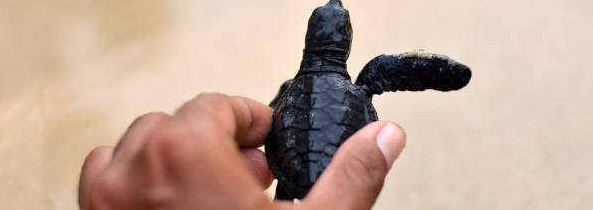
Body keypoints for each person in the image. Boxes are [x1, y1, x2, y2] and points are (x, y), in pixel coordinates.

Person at [79, 93, 406, 210]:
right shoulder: (363, 82)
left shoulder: (288, 88)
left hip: (287, 172)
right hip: (328, 164)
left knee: (284, 189)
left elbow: (273, 112)